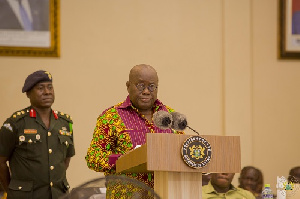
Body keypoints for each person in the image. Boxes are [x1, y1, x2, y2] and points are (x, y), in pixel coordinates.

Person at [85, 64, 184, 198]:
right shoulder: (111, 117)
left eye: (152, 86)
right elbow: (93, 157)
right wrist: (124, 160)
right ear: (128, 86)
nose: (146, 91)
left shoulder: (170, 116)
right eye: (140, 86)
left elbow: (183, 153)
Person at [0, 70, 75, 199]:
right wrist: (11, 191)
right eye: (40, 88)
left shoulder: (65, 122)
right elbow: (1, 162)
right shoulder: (16, 123)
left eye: (50, 87)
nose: (47, 92)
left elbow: (65, 160)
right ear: (28, 93)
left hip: (58, 195)